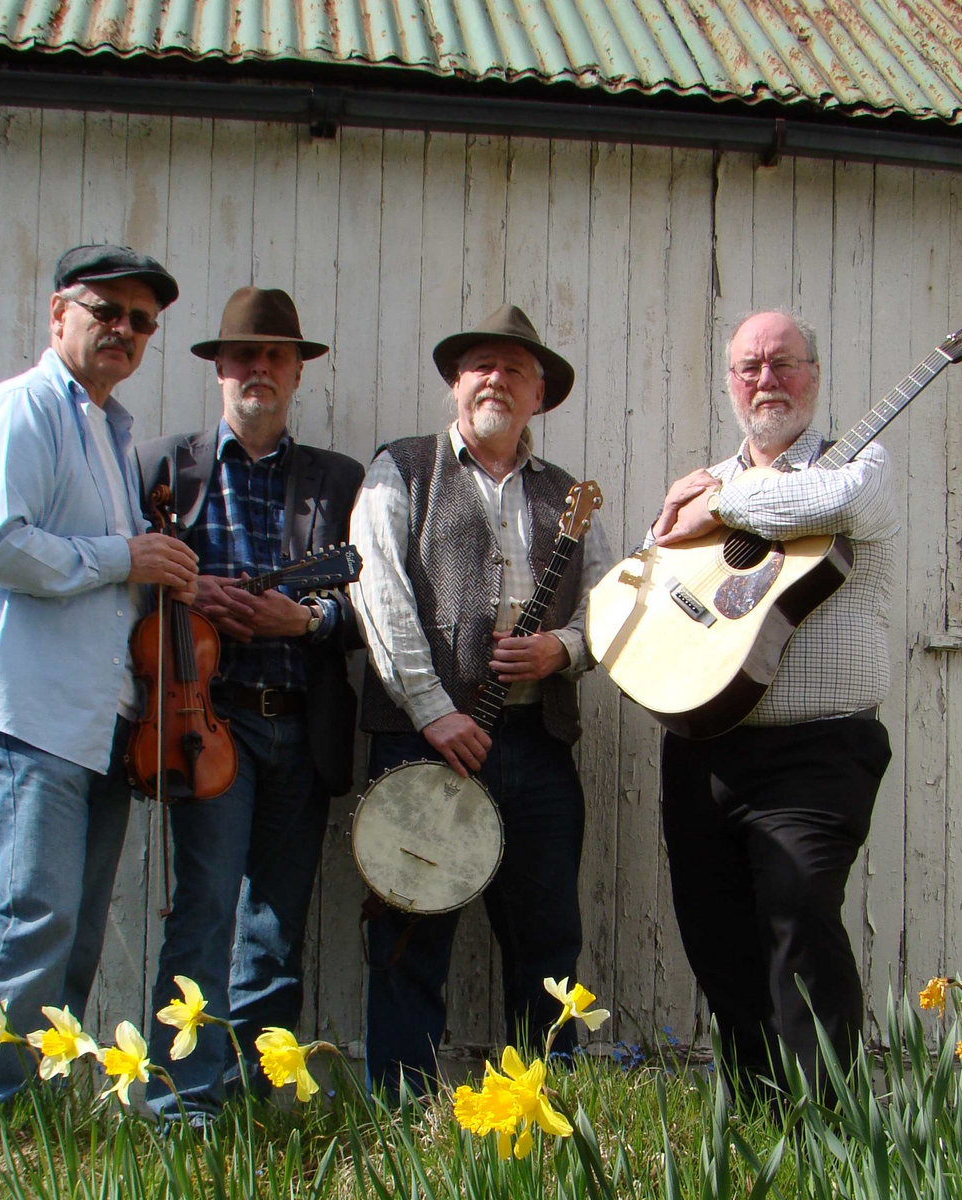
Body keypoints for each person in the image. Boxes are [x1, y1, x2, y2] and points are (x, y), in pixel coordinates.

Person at [0, 245, 198, 1187]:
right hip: (27, 714)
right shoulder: (22, 409)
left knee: (69, 934)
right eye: (108, 310)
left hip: (90, 720)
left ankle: (15, 1124)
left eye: (143, 322)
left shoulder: (106, 429)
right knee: (31, 924)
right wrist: (127, 558)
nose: (126, 331)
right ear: (58, 311)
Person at [350, 303, 610, 1093]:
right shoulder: (403, 467)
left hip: (536, 750)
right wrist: (434, 711)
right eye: (479, 365)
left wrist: (560, 648)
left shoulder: (570, 494)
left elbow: (610, 602)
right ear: (456, 385)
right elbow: (380, 595)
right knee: (406, 946)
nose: (495, 378)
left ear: (540, 396)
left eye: (515, 369)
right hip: (420, 743)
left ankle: (537, 1114)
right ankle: (402, 1124)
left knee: (546, 948)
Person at [646, 309, 897, 1101]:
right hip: (703, 746)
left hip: (819, 751)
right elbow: (653, 589)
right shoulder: (701, 489)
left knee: (799, 919)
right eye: (749, 367)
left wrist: (717, 503)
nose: (766, 380)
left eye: (783, 363)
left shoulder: (862, 467)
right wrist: (665, 533)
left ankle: (827, 1130)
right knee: (717, 942)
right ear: (729, 383)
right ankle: (760, 1123)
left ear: (814, 376)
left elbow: (822, 502)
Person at [135, 287, 364, 1121]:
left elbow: (369, 610)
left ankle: (264, 1100)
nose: (258, 367)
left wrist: (303, 618)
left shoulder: (339, 481)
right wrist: (193, 604)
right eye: (244, 355)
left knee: (276, 922)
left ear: (297, 370)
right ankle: (185, 1108)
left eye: (275, 355)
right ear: (219, 368)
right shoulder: (165, 467)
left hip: (300, 729)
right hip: (206, 726)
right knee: (201, 912)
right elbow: (128, 598)